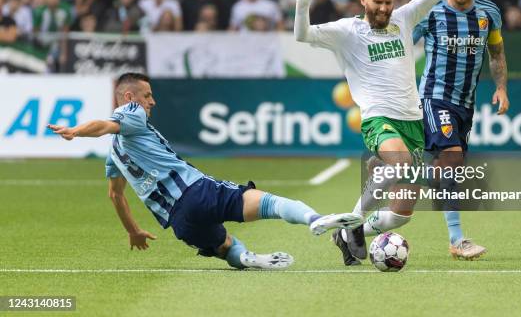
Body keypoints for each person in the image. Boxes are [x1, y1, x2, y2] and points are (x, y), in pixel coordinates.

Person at [47, 73, 362, 270]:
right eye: (147, 96)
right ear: (129, 98)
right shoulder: (130, 114)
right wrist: (76, 130)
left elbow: (115, 196)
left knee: (223, 246)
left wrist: (133, 230)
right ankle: (314, 219)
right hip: (196, 191)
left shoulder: (114, 155)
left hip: (179, 222)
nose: (152, 102)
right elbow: (105, 125)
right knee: (269, 203)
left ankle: (248, 259)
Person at [295, 0, 452, 266]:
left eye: (387, 2)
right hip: (378, 117)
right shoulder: (346, 31)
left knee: (401, 216)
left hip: (413, 121)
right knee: (400, 165)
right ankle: (351, 222)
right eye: (376, 2)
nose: (383, 8)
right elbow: (302, 34)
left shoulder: (404, 19)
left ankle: (350, 231)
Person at [412, 0, 509, 259]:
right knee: (451, 157)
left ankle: (411, 175)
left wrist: (502, 88)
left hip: (466, 103)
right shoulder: (430, 10)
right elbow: (402, 49)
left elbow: (496, 53)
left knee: (450, 169)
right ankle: (457, 239)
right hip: (434, 96)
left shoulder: (489, 12)